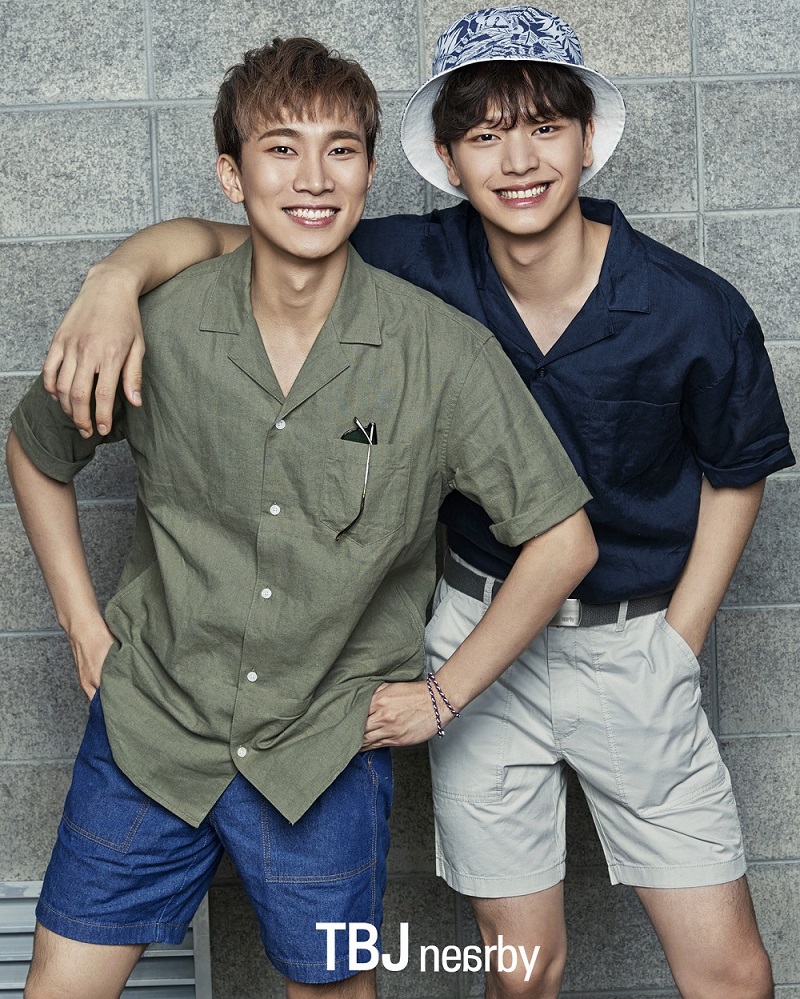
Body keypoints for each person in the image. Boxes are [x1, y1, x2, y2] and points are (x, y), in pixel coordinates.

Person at [36, 7, 793, 999]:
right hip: (472, 631)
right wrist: (113, 278)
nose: (516, 160)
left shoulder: (688, 306)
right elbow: (236, 239)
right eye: (485, 135)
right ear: (446, 158)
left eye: (544, 129)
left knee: (728, 972)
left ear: (586, 140)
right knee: (519, 969)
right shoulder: (407, 258)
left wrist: (676, 641)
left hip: (627, 645)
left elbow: (736, 469)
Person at [6, 33, 598, 999]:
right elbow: (36, 450)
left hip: (325, 749)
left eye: (340, 149)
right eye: (281, 148)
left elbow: (563, 539)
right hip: (152, 728)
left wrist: (443, 696)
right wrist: (83, 624)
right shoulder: (158, 323)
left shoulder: (439, 352)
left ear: (368, 172)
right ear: (231, 177)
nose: (314, 177)